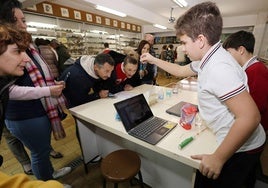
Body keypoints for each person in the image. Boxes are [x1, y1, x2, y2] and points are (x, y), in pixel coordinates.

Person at [140, 2, 265, 188]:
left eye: (184, 42)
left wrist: (218, 158)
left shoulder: (219, 68)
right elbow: (180, 70)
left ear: (200, 40)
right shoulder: (209, 58)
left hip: (242, 149)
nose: (182, 48)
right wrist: (152, 58)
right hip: (235, 140)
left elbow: (250, 117)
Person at [0, 0, 71, 183]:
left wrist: (50, 84)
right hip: (25, 114)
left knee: (43, 149)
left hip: (38, 109)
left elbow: (36, 74)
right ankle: (47, 182)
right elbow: (11, 90)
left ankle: (49, 176)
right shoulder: (8, 47)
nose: (25, 25)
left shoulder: (24, 43)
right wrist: (47, 90)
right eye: (21, 20)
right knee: (40, 152)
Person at [222, 30, 268, 185]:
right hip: (252, 130)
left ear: (241, 49)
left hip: (253, 134)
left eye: (229, 52)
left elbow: (257, 106)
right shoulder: (249, 69)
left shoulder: (256, 70)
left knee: (243, 174)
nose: (227, 57)